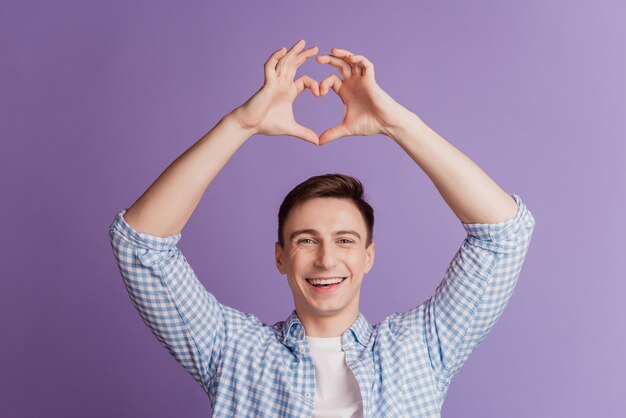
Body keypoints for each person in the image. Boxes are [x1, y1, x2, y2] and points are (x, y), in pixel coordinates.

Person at [108, 39, 535, 418]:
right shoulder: (234, 352)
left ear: (368, 256)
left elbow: (504, 234)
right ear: (280, 256)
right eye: (305, 240)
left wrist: (396, 124)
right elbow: (140, 246)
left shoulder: (421, 348)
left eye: (345, 240)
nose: (326, 258)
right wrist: (242, 124)